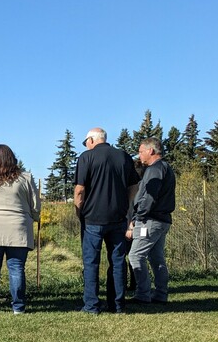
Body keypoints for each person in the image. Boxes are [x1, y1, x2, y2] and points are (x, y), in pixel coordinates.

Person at [74, 127, 140, 314]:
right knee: (118, 261)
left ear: (92, 140)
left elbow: (79, 190)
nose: (86, 145)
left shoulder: (87, 158)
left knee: (91, 262)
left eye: (86, 141)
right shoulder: (124, 156)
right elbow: (134, 185)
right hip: (118, 218)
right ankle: (117, 305)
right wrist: (125, 205)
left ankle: (91, 305)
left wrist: (79, 212)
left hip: (93, 219)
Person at [0, 145, 40, 314]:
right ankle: (18, 306)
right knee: (17, 267)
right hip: (18, 227)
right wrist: (34, 217)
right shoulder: (25, 178)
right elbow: (35, 205)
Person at [128, 136, 176, 304]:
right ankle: (161, 294)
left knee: (135, 255)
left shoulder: (155, 170)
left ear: (150, 150)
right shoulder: (165, 168)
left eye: (141, 152)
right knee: (156, 258)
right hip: (162, 220)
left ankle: (143, 294)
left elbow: (149, 196)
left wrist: (138, 216)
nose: (139, 155)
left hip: (150, 220)